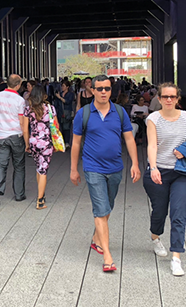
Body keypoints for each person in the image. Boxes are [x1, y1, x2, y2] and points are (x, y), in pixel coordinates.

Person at [71, 75, 141, 272]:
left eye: (107, 89)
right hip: (93, 168)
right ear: (92, 90)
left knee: (108, 206)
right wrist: (73, 168)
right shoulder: (83, 114)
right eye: (99, 88)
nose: (103, 92)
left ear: (112, 91)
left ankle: (96, 238)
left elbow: (129, 139)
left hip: (115, 168)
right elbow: (76, 142)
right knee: (101, 209)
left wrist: (135, 163)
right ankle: (107, 256)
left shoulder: (120, 112)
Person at [143, 83, 186, 277]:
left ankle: (176, 258)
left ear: (177, 99)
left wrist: (184, 151)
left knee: (178, 213)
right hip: (159, 170)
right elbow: (151, 146)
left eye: (172, 97)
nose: (168, 100)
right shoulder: (153, 119)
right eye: (165, 97)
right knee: (160, 211)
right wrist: (154, 167)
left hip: (181, 172)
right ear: (158, 98)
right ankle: (155, 237)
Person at [0, 74, 29, 206]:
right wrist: (27, 141)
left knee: (1, 165)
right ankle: (19, 194)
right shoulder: (19, 100)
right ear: (18, 85)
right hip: (16, 136)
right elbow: (22, 123)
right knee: (19, 165)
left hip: (0, 136)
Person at [25, 86, 55, 209]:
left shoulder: (28, 109)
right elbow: (55, 126)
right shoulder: (50, 108)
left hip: (34, 142)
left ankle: (41, 193)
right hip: (46, 142)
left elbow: (25, 129)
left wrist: (27, 143)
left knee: (39, 167)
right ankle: (40, 200)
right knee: (43, 170)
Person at [55, 80, 75, 147]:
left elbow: (67, 101)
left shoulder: (70, 94)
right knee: (61, 128)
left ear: (67, 87)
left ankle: (67, 142)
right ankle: (63, 141)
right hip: (60, 112)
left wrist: (60, 97)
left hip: (67, 112)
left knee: (67, 127)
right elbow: (56, 104)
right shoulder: (60, 94)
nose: (62, 87)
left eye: (63, 86)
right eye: (62, 86)